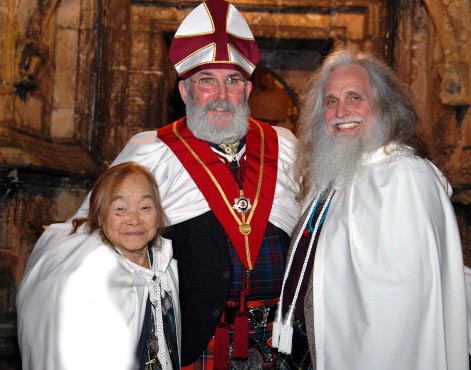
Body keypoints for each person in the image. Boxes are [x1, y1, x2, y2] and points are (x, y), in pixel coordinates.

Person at [36, 0, 300, 368]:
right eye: (207, 81)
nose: (222, 95)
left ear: (248, 89)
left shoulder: (284, 148)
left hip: (277, 343)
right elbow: (93, 236)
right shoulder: (152, 152)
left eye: (233, 81)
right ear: (184, 92)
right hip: (193, 344)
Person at [272, 49, 469, 370]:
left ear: (384, 107)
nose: (341, 111)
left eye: (355, 97)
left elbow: (405, 315)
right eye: (331, 101)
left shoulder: (404, 177)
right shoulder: (335, 177)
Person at [17, 162, 180, 370]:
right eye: (120, 209)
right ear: (100, 217)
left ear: (158, 214)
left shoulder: (164, 265)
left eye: (145, 207)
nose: (134, 219)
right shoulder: (88, 279)